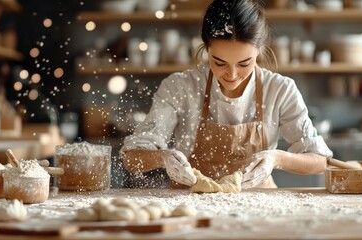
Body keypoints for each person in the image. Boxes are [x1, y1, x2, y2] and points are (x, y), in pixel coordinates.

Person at [120, 0, 333, 189]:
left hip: (259, 205)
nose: (231, 75)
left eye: (244, 63)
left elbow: (320, 161)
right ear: (206, 49)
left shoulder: (279, 90)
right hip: (190, 204)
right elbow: (131, 157)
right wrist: (164, 157)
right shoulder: (180, 87)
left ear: (259, 50)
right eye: (219, 62)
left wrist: (275, 158)